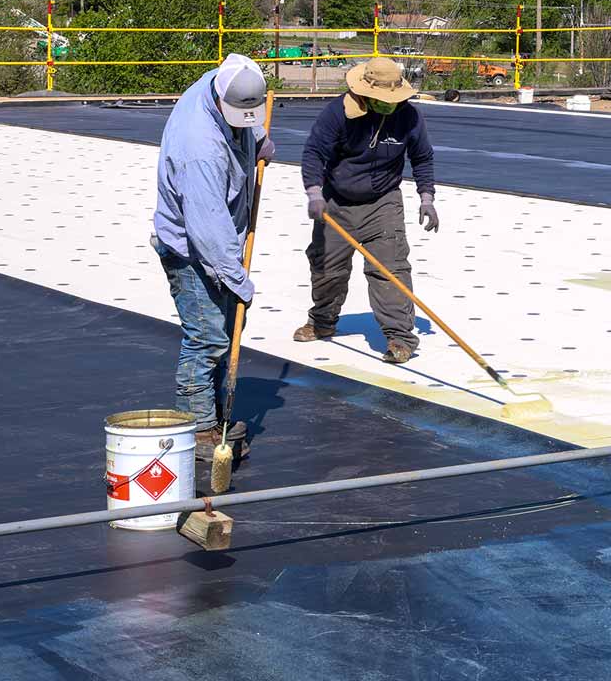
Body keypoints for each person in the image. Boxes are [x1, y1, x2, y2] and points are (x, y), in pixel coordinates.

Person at [153, 54, 276, 464]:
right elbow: (208, 230)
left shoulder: (223, 78)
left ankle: (217, 414)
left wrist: (256, 139)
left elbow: (246, 116)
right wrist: (237, 279)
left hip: (217, 239)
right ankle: (199, 426)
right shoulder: (199, 149)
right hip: (190, 250)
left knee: (223, 330)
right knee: (207, 337)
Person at [297, 57, 437, 364]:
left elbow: (422, 158)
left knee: (390, 271)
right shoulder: (338, 113)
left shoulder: (409, 118)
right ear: (366, 94)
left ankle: (400, 338)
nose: (389, 105)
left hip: (383, 202)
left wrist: (426, 197)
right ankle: (322, 321)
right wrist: (314, 193)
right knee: (326, 269)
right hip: (337, 203)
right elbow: (314, 153)